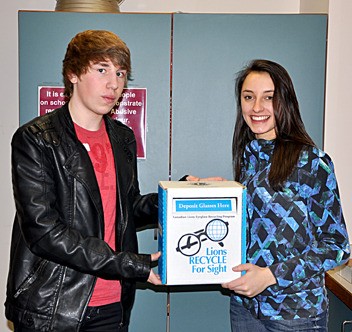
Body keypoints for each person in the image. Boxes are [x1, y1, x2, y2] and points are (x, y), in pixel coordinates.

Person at [5, 30, 162, 332]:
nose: (114, 84)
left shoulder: (122, 138)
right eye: (101, 70)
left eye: (120, 73)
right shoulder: (36, 139)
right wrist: (126, 263)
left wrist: (178, 197)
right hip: (53, 306)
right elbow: (44, 231)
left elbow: (126, 208)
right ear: (73, 73)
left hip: (113, 302)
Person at [221, 59, 350, 331]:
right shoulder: (249, 155)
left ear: (285, 102)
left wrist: (270, 276)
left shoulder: (312, 162)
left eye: (269, 97)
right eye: (248, 97)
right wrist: (215, 193)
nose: (256, 107)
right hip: (245, 308)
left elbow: (338, 246)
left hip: (295, 315)